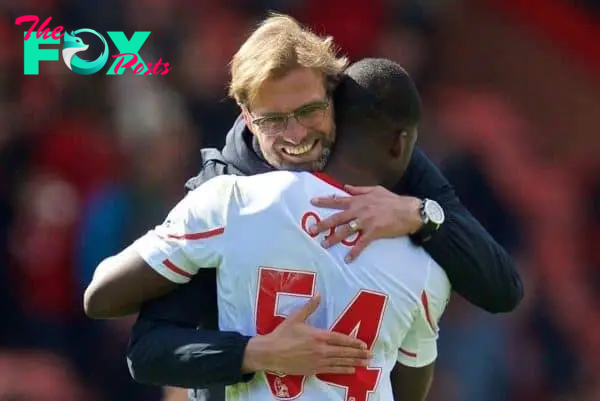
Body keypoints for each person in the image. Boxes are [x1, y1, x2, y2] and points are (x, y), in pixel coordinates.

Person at [84, 13, 522, 401]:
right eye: (274, 120)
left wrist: (419, 214)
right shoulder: (223, 195)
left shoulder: (386, 159)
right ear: (246, 115)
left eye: (310, 111)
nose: (295, 137)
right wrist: (259, 353)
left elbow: (501, 289)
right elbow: (149, 352)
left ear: (334, 95)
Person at [117, 58, 451, 401]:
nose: (295, 133)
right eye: (277, 118)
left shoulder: (233, 206)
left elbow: (138, 343)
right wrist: (426, 215)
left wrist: (255, 353)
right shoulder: (424, 265)